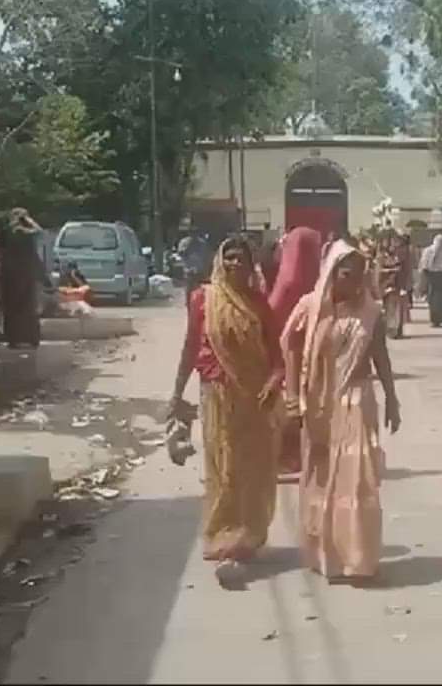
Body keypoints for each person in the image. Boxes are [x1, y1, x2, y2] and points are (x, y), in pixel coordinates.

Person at [281, 241, 401, 584]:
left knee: (357, 477)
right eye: (348, 273)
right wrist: (293, 395)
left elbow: (380, 355)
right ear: (333, 273)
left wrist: (392, 398)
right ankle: (326, 555)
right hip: (320, 403)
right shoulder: (311, 307)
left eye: (361, 273)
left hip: (357, 398)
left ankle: (357, 557)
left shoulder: (371, 312)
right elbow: (290, 344)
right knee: (322, 478)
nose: (356, 280)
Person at [170, 237, 284, 588]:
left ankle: (247, 535)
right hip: (218, 396)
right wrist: (176, 393)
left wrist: (274, 382)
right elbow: (191, 346)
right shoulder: (203, 299)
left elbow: (277, 357)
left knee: (253, 470)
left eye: (242, 258)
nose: (235, 264)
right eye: (229, 257)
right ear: (220, 261)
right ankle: (225, 538)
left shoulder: (259, 304)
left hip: (255, 401)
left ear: (252, 265)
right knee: (225, 467)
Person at [267, 227, 323, 477]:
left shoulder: (286, 281)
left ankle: (286, 458)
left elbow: (271, 315)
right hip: (305, 355)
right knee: (301, 408)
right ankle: (295, 457)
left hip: (283, 355)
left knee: (289, 410)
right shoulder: (317, 281)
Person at [0, 209, 45, 349]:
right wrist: (28, 221)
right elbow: (39, 231)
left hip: (13, 274)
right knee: (26, 307)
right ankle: (29, 338)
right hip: (21, 274)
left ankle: (14, 339)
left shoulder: (7, 231)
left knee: (14, 307)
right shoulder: (19, 231)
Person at [420, 234, 442, 327]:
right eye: (439, 242)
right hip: (432, 274)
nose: (441, 244)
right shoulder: (428, 251)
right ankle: (435, 320)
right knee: (433, 298)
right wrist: (425, 276)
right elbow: (424, 264)